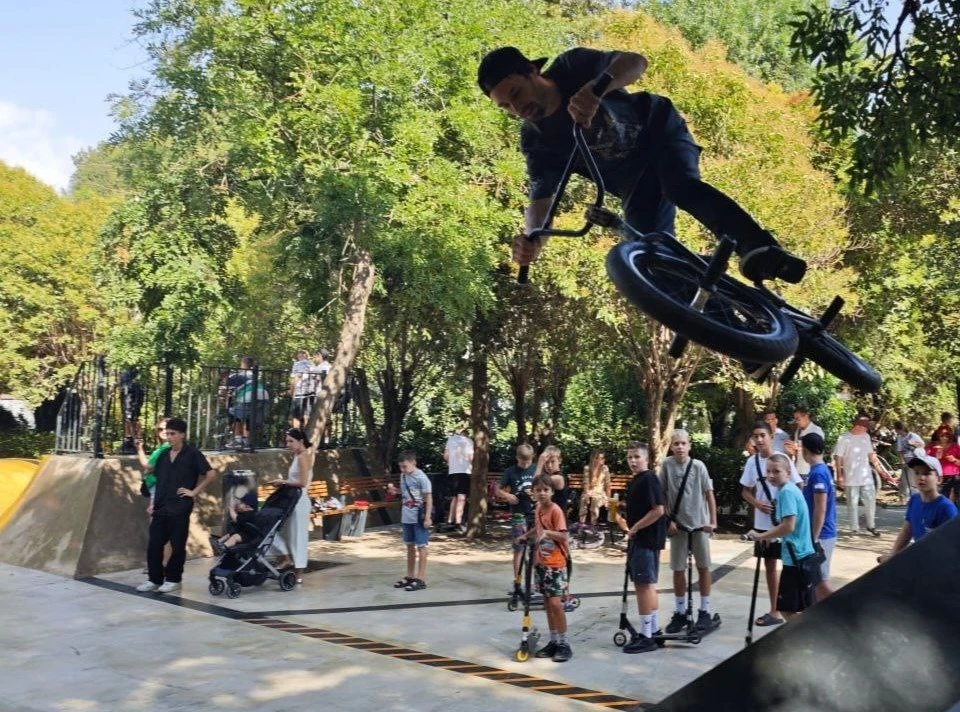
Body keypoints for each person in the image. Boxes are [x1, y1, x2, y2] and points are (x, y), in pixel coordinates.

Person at [477, 47, 806, 288]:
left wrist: (597, 88)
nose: (517, 109)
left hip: (660, 135)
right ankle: (740, 335)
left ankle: (759, 248)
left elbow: (636, 62)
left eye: (516, 93)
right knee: (652, 263)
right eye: (506, 106)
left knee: (679, 186)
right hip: (634, 182)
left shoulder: (572, 66)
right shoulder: (536, 141)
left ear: (532, 71)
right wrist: (534, 239)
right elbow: (541, 199)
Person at [136, 418, 217, 594]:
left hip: (180, 506)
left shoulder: (193, 454)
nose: (169, 437)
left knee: (177, 544)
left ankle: (173, 579)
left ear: (182, 435)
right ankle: (154, 579)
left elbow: (210, 474)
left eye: (173, 434)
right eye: (167, 434)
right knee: (154, 545)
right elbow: (160, 478)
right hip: (160, 505)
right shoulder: (164, 455)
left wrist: (193, 492)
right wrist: (153, 503)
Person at [739, 419, 802, 627]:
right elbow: (745, 491)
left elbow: (797, 485)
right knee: (769, 565)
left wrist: (791, 511)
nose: (759, 440)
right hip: (763, 522)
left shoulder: (783, 458)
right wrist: (758, 504)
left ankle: (792, 607)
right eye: (755, 436)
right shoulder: (751, 463)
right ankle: (774, 610)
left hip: (784, 521)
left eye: (762, 436)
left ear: (771, 437)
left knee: (790, 564)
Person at [746, 453, 817, 619]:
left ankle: (803, 641)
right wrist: (772, 537)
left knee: (786, 609)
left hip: (796, 558)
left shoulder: (786, 493)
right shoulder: (787, 490)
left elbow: (788, 526)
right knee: (800, 608)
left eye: (776, 471)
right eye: (768, 471)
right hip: (800, 555)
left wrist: (761, 536)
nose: (771, 475)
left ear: (788, 472)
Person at [659, 429, 717, 634]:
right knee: (678, 569)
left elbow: (709, 494)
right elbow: (662, 494)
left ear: (689, 445)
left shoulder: (699, 466)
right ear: (671, 446)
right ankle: (680, 611)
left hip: (699, 524)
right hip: (678, 526)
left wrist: (712, 521)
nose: (680, 447)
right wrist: (668, 520)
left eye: (683, 443)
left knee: (703, 567)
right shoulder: (666, 465)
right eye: (676, 444)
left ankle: (705, 610)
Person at [619, 441, 666, 653]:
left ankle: (646, 635)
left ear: (646, 459)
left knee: (643, 584)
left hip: (645, 539)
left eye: (637, 457)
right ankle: (654, 630)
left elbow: (658, 510)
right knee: (648, 584)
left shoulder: (649, 479)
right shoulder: (638, 480)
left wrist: (635, 528)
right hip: (643, 538)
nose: (633, 461)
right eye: (630, 457)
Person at [878, 454, 958, 564]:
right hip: (921, 560)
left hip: (940, 565)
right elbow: (907, 530)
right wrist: (893, 555)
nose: (921, 477)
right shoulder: (915, 500)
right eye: (917, 473)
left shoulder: (946, 508)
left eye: (927, 473)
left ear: (939, 479)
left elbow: (954, 543)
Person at [529, 473, 573, 662]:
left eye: (545, 490)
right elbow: (538, 530)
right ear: (533, 492)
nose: (542, 493)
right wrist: (526, 535)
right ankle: (553, 640)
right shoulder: (538, 509)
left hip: (556, 563)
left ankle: (564, 643)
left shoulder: (556, 510)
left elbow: (563, 536)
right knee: (547, 603)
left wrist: (546, 532)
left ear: (552, 492)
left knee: (555, 603)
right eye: (538, 490)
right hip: (542, 562)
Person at [834, 415, 897, 536]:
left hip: (866, 476)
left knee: (870, 500)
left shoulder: (866, 437)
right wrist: (839, 475)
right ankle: (854, 528)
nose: (866, 430)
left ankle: (871, 525)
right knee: (852, 504)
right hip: (851, 477)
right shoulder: (844, 438)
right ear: (858, 425)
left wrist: (881, 470)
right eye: (864, 427)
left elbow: (871, 455)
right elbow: (838, 458)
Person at [270, 428, 314, 584]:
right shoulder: (298, 456)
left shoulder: (303, 457)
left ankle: (299, 572)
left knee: (298, 537)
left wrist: (283, 482)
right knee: (282, 532)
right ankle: (287, 558)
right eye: (287, 441)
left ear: (301, 441)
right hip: (292, 500)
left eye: (290, 441)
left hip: (300, 501)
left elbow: (302, 483)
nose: (287, 444)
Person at [388, 450, 433, 592]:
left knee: (421, 546)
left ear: (414, 463)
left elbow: (428, 497)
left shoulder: (422, 478)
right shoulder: (403, 476)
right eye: (401, 467)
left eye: (405, 466)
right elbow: (406, 493)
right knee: (409, 546)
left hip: (418, 515)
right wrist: (395, 491)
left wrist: (427, 516)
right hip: (407, 514)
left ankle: (421, 578)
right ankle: (410, 575)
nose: (402, 470)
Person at [801, 432, 836, 600]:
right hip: (820, 534)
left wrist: (813, 539)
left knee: (821, 582)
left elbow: (820, 509)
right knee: (816, 582)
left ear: (806, 451)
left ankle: (844, 610)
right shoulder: (819, 471)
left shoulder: (818, 473)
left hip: (821, 535)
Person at [496, 443, 537, 582]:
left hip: (535, 513)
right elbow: (498, 489)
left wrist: (535, 494)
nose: (525, 465)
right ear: (517, 458)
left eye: (528, 462)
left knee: (536, 547)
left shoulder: (536, 470)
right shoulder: (510, 472)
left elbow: (545, 487)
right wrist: (507, 496)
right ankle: (518, 580)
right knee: (519, 548)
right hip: (518, 514)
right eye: (522, 461)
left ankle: (536, 582)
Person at [136, 417, 172, 570]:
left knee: (160, 529)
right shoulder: (163, 448)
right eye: (160, 429)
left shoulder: (165, 449)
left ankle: (161, 564)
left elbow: (147, 466)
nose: (163, 432)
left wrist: (139, 449)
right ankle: (159, 563)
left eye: (167, 429)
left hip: (159, 490)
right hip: (156, 491)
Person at [442, 427, 474, 533]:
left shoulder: (450, 440)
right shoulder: (469, 441)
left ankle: (450, 520)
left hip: (453, 471)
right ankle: (459, 522)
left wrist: (452, 461)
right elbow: (471, 457)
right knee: (462, 497)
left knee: (454, 497)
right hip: (465, 471)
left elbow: (446, 456)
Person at [784, 407, 824, 480]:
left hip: (810, 470)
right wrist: (792, 451)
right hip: (798, 470)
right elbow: (797, 453)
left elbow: (817, 450)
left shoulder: (816, 430)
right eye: (795, 419)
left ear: (806, 416)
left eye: (798, 419)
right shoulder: (798, 431)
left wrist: (797, 447)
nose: (796, 422)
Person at [926, 426, 960, 503]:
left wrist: (954, 460)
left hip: (956, 476)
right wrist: (936, 458)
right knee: (942, 499)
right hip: (940, 477)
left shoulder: (955, 446)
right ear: (938, 435)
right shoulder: (932, 446)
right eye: (942, 435)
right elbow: (925, 460)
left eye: (947, 436)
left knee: (958, 499)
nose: (944, 438)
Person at [578, 450, 611, 526]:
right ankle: (581, 525)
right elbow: (585, 482)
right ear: (594, 459)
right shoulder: (587, 468)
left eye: (603, 458)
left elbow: (608, 484)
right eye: (600, 458)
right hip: (589, 491)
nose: (602, 460)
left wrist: (609, 499)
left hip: (600, 493)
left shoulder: (605, 468)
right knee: (584, 499)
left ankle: (593, 525)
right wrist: (587, 493)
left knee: (595, 500)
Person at [893, 421, 924, 501]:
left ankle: (915, 498)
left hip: (914, 458)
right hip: (905, 459)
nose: (897, 432)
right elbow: (900, 451)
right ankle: (902, 499)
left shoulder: (912, 435)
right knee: (903, 480)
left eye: (897, 430)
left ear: (901, 428)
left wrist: (913, 443)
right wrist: (902, 460)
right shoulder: (899, 438)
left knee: (912, 480)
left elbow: (922, 445)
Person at [119, 367, 145, 455]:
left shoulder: (135, 384)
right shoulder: (125, 383)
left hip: (133, 395)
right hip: (127, 395)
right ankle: (129, 439)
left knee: (133, 418)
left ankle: (135, 440)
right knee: (128, 418)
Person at [289, 349, 315, 428]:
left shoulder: (297, 364)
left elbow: (296, 377)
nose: (298, 356)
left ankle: (296, 433)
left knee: (296, 416)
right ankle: (306, 433)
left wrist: (292, 390)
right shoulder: (312, 364)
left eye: (299, 355)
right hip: (310, 392)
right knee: (306, 414)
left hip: (299, 392)